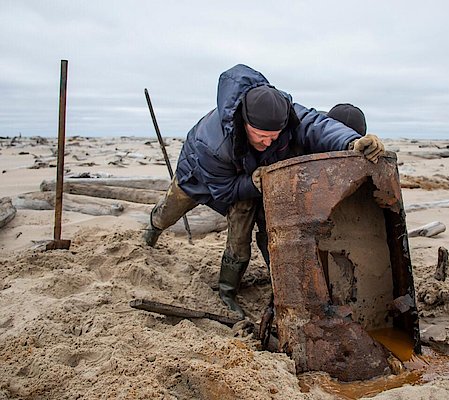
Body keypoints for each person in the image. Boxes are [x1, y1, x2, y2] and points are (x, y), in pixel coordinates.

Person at [143, 64, 384, 318]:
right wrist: (250, 183)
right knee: (171, 209)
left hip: (253, 176)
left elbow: (315, 124)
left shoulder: (283, 112)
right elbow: (223, 191)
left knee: (243, 227)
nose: (269, 142)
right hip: (201, 175)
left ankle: (227, 291)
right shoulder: (212, 145)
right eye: (262, 136)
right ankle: (153, 230)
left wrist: (351, 142)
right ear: (245, 122)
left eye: (275, 136)